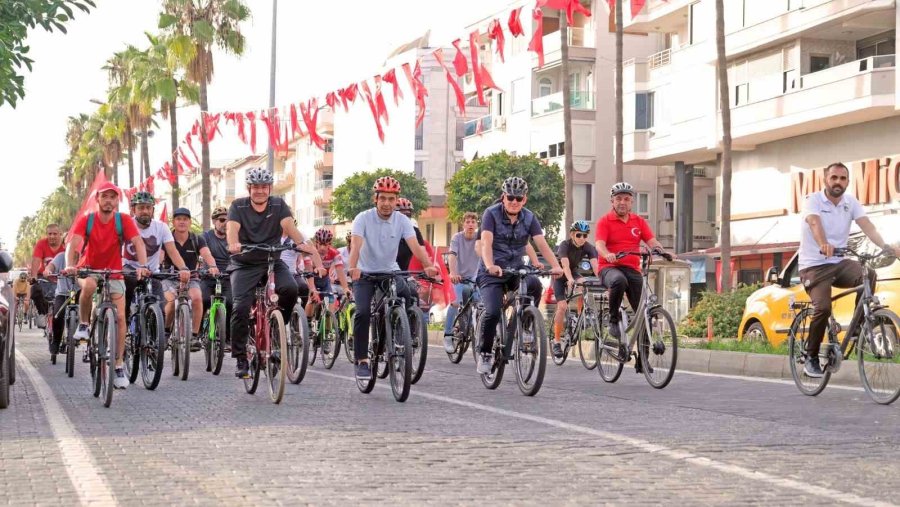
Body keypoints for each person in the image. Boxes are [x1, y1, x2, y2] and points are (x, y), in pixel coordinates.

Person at [797, 162, 900, 378]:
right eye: (834, 177)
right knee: (823, 309)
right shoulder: (813, 200)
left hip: (838, 263)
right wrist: (823, 243)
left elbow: (868, 226)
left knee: (869, 274)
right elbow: (814, 223)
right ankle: (811, 357)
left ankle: (856, 329)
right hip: (814, 266)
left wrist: (886, 247)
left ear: (847, 182)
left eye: (843, 179)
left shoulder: (850, 202)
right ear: (825, 179)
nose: (838, 182)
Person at [226, 167, 325, 379]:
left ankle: (279, 328)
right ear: (249, 188)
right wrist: (233, 243)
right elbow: (231, 229)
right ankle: (241, 356)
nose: (260, 191)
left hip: (271, 259)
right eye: (256, 187)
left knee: (291, 289)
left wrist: (301, 243)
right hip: (244, 263)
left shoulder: (279, 205)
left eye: (264, 187)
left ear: (269, 188)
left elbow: (289, 226)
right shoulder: (238, 206)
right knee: (241, 307)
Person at [347, 176, 438, 380]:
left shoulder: (403, 221)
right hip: (365, 273)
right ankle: (362, 360)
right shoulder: (362, 218)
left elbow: (415, 246)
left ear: (396, 200)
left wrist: (428, 265)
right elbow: (356, 246)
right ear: (375, 199)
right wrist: (352, 267)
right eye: (383, 198)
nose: (387, 203)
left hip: (390, 271)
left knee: (408, 295)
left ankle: (400, 331)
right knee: (362, 313)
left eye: (391, 199)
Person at [63, 182, 149, 390]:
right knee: (90, 285)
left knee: (120, 317)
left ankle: (118, 366)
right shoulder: (88, 220)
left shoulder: (123, 220)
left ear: (116, 201)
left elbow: (138, 242)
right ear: (98, 199)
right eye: (105, 197)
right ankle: (84, 325)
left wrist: (143, 265)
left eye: (113, 197)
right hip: (88, 269)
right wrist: (69, 265)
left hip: (114, 273)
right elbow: (73, 244)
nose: (109, 200)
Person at [476, 176, 563, 375]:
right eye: (510, 197)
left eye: (519, 198)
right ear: (503, 197)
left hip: (515, 269)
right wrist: (490, 265)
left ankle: (523, 323)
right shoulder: (490, 214)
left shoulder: (530, 217)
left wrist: (557, 267)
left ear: (524, 199)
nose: (514, 201)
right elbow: (486, 243)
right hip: (492, 272)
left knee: (534, 285)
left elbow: (541, 244)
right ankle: (485, 353)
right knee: (492, 311)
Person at [595, 182, 673, 371]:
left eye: (627, 199)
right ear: (612, 201)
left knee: (643, 313)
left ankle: (642, 360)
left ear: (632, 202)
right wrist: (606, 254)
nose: (623, 202)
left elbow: (652, 241)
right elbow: (599, 244)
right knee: (618, 281)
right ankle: (613, 320)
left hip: (633, 269)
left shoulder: (638, 222)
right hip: (609, 267)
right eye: (619, 198)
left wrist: (663, 252)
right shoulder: (605, 221)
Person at [122, 191, 191, 319]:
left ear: (153, 210)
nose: (145, 211)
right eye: (141, 207)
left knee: (160, 311)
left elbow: (172, 251)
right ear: (133, 210)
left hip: (152, 272)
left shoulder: (161, 227)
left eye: (148, 207)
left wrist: (183, 268)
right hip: (129, 270)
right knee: (123, 304)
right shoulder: (126, 225)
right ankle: (124, 321)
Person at [161, 207, 219, 351]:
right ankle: (166, 332)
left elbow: (207, 254)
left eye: (185, 219)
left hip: (191, 278)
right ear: (173, 222)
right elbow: (160, 257)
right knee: (170, 303)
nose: (182, 222)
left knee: (198, 298)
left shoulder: (197, 239)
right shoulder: (167, 239)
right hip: (169, 278)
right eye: (179, 219)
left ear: (190, 222)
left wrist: (212, 266)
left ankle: (194, 336)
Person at [551, 220, 600, 358]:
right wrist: (569, 279)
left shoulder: (589, 247)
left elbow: (596, 267)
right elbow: (565, 266)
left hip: (573, 272)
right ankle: (556, 341)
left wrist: (604, 280)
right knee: (562, 307)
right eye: (579, 235)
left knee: (583, 283)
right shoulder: (564, 245)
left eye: (585, 235)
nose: (582, 238)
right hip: (560, 275)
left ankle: (580, 316)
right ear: (572, 234)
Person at [443, 212, 480, 352]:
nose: (470, 224)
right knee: (455, 302)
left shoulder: (479, 237)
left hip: (475, 279)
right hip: (458, 277)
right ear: (463, 224)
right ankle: (448, 334)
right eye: (468, 222)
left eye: (473, 222)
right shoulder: (457, 238)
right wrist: (453, 273)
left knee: (482, 304)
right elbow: (452, 255)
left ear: (476, 224)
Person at [202, 206, 234, 350]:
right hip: (208, 276)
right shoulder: (206, 237)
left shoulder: (233, 237)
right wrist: (210, 268)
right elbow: (204, 253)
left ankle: (227, 338)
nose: (224, 223)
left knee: (231, 303)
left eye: (228, 220)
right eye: (221, 220)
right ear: (214, 221)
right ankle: (199, 331)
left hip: (227, 277)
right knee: (204, 300)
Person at [303, 228, 351, 317]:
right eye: (320, 244)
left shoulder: (335, 253)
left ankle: (329, 328)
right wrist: (313, 289)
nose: (322, 248)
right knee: (312, 299)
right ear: (316, 242)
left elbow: (340, 271)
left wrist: (345, 288)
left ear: (330, 244)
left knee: (331, 302)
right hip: (311, 279)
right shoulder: (310, 252)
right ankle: (308, 325)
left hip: (325, 281)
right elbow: (308, 272)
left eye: (325, 245)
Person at [30, 223, 65, 323]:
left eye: (55, 234)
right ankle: (43, 313)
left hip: (62, 278)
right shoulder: (41, 244)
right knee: (35, 289)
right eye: (49, 234)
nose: (52, 236)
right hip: (44, 278)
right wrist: (33, 277)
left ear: (60, 234)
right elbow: (36, 260)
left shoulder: (65, 246)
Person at [43, 251, 77, 356]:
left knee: (82, 312)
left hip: (77, 293)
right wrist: (48, 271)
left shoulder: (83, 255)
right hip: (62, 293)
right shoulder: (61, 256)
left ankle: (79, 335)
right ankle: (56, 342)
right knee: (57, 315)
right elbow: (51, 266)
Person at [395, 198, 432, 271]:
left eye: (408, 215)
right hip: (382, 272)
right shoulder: (385, 228)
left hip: (403, 274)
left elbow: (422, 250)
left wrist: (428, 266)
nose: (404, 218)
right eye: (401, 215)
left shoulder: (414, 229)